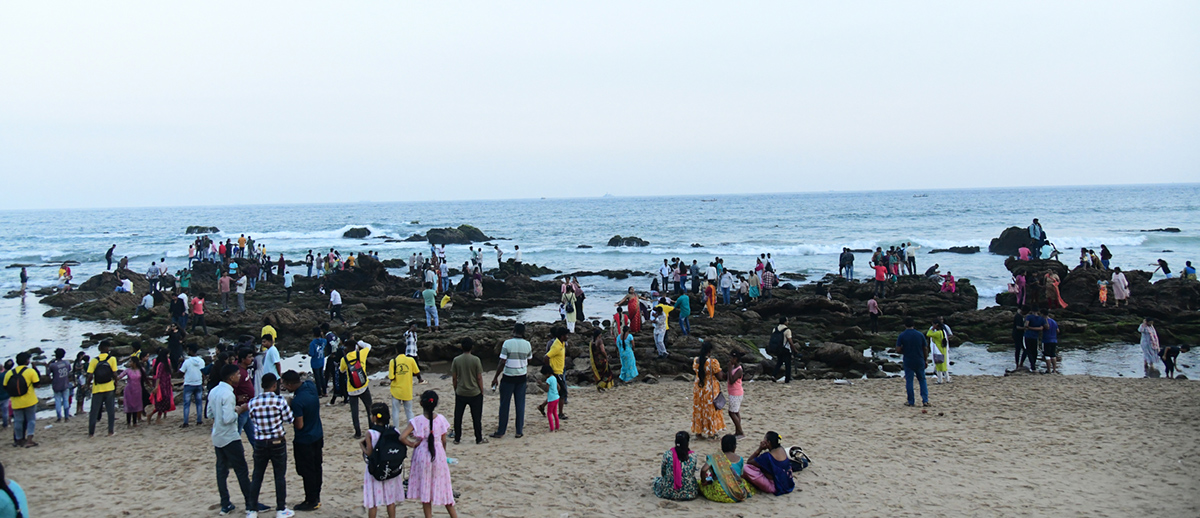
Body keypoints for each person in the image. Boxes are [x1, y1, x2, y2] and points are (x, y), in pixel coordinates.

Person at [401, 390, 458, 518]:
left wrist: (413, 444)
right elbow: (443, 440)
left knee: (426, 490)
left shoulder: (416, 421)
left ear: (421, 404)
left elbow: (402, 437)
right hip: (438, 454)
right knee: (444, 488)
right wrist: (443, 454)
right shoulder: (441, 419)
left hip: (422, 455)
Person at [247, 373, 295, 518]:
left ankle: (252, 509)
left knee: (257, 475)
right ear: (274, 385)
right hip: (277, 441)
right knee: (279, 476)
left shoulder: (253, 402)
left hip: (260, 441)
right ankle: (281, 508)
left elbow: (252, 418)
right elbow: (289, 419)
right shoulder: (279, 401)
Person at [208, 363, 254, 516]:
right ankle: (250, 503)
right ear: (230, 377)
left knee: (221, 471)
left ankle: (225, 503)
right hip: (230, 437)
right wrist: (238, 411)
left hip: (217, 436)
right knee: (241, 470)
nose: (239, 376)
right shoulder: (229, 394)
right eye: (237, 374)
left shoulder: (214, 391)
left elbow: (209, 414)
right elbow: (228, 418)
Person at [282, 370, 323, 512]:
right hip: (317, 434)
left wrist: (290, 408)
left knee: (306, 471)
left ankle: (311, 500)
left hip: (305, 439)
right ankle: (316, 496)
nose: (284, 387)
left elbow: (299, 425)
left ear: (290, 384)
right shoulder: (310, 386)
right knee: (317, 467)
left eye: (285, 385)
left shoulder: (298, 402)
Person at [360, 403, 404, 518]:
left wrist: (361, 446)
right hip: (390, 470)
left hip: (375, 470)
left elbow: (369, 452)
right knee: (390, 500)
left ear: (374, 418)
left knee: (373, 502)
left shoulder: (370, 433)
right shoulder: (394, 431)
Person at [490, 323, 531, 439]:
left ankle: (501, 430)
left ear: (513, 331)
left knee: (504, 404)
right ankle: (519, 430)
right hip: (521, 376)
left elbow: (502, 361)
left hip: (508, 377)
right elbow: (529, 358)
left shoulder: (507, 343)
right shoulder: (527, 344)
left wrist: (495, 377)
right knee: (520, 404)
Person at [699, 434, 754, 503]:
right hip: (737, 491)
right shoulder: (740, 459)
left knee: (699, 484)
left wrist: (703, 482)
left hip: (720, 492)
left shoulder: (715, 457)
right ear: (734, 447)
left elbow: (704, 470)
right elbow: (741, 475)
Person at [450, 338, 486, 445]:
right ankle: (478, 438)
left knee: (458, 416)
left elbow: (454, 378)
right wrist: (482, 390)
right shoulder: (476, 360)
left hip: (461, 391)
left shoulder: (456, 360)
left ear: (461, 347)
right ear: (472, 347)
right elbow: (479, 377)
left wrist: (456, 388)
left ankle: (457, 438)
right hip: (474, 392)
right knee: (476, 417)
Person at [340, 336, 374, 438]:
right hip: (363, 385)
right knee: (369, 408)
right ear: (355, 346)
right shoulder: (361, 354)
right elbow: (369, 346)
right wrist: (360, 342)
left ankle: (358, 432)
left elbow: (341, 371)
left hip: (352, 389)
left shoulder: (344, 359)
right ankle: (371, 429)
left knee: (355, 412)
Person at [742, 431, 795, 496]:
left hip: (775, 486)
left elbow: (749, 461)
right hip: (786, 483)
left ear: (768, 443)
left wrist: (760, 449)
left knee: (745, 468)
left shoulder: (767, 456)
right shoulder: (782, 449)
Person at [4, 353, 40, 447]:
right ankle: (29, 440)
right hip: (29, 400)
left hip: (16, 401)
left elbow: (5, 387)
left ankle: (19, 440)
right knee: (31, 420)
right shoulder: (30, 371)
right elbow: (37, 384)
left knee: (18, 421)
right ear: (26, 361)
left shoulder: (9, 373)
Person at [653, 431, 699, 501]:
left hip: (668, 492)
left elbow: (663, 472)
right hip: (689, 492)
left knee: (656, 480)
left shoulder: (668, 454)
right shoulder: (693, 456)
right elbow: (692, 472)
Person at [894, 318, 930, 407]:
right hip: (919, 359)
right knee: (922, 380)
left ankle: (911, 401)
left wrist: (904, 350)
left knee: (909, 381)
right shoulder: (920, 334)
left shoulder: (902, 335)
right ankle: (925, 400)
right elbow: (925, 348)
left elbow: (898, 349)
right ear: (914, 325)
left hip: (908, 360)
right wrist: (925, 359)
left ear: (905, 325)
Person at [87, 341, 119, 438]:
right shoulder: (112, 359)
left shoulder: (94, 360)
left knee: (94, 411)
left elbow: (90, 375)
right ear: (107, 349)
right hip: (109, 387)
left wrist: (88, 385)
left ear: (99, 349)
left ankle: (91, 433)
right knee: (110, 411)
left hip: (97, 388)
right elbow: (114, 374)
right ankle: (110, 431)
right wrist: (116, 382)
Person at [387, 347, 422, 427]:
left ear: (396, 350)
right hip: (407, 390)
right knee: (409, 411)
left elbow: (391, 377)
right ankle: (411, 430)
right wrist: (419, 379)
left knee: (395, 411)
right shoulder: (410, 360)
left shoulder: (393, 361)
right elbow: (417, 372)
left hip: (396, 390)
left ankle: (396, 429)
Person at [544, 327, 569, 420]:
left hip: (560, 371)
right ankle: (561, 413)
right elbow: (547, 357)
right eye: (566, 335)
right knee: (562, 392)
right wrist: (549, 371)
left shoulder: (562, 344)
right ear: (562, 336)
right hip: (556, 372)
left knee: (555, 392)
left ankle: (542, 406)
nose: (567, 337)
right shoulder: (556, 346)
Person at [180, 344, 206, 428]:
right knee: (199, 403)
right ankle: (199, 420)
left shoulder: (187, 361)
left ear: (190, 351)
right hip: (198, 383)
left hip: (189, 383)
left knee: (186, 404)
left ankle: (186, 422)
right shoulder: (201, 361)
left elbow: (181, 372)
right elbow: (203, 372)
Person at [118, 356, 146, 427]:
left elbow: (145, 378)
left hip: (137, 390)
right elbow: (120, 376)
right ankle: (128, 422)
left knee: (136, 406)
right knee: (129, 405)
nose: (129, 363)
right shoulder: (128, 370)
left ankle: (134, 422)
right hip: (129, 390)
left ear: (134, 363)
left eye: (130, 361)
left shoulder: (141, 370)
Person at [150, 348, 175, 423]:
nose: (169, 355)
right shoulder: (161, 364)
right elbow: (158, 376)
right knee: (161, 401)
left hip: (166, 384)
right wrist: (157, 386)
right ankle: (155, 416)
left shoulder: (166, 363)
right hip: (162, 385)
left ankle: (158, 417)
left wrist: (170, 383)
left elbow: (168, 375)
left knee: (166, 401)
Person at [47, 348, 72, 422]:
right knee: (65, 400)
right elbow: (69, 370)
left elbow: (47, 373)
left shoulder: (53, 365)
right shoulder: (67, 363)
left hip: (56, 384)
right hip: (65, 383)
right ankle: (66, 416)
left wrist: (48, 364)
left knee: (57, 401)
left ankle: (59, 417)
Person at [726, 350, 746, 438]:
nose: (730, 360)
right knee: (736, 411)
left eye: (731, 358)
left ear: (736, 359)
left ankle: (740, 431)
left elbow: (731, 380)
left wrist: (729, 370)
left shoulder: (739, 370)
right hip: (733, 392)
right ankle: (738, 431)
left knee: (732, 412)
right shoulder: (735, 367)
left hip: (736, 393)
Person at [537, 364, 561, 432]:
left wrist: (541, 384)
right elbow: (559, 388)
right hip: (556, 397)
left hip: (551, 399)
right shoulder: (554, 378)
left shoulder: (548, 380)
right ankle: (557, 426)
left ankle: (552, 428)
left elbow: (546, 390)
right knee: (555, 413)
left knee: (549, 413)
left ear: (547, 373)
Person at [770, 317, 794, 383]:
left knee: (779, 362)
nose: (788, 322)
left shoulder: (775, 329)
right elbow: (790, 340)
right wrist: (794, 349)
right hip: (785, 349)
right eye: (787, 321)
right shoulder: (787, 330)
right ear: (785, 322)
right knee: (787, 364)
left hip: (777, 348)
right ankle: (787, 378)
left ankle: (774, 375)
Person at [926, 319, 950, 384]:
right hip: (943, 350)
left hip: (938, 350)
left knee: (938, 365)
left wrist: (932, 329)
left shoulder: (937, 333)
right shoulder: (943, 332)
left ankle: (940, 380)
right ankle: (947, 379)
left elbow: (928, 334)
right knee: (944, 365)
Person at [1023, 306, 1044, 372]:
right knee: (1034, 351)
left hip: (1028, 335)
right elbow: (1041, 328)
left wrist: (1029, 328)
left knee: (1028, 350)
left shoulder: (1029, 317)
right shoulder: (1041, 318)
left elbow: (1026, 325)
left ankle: (1032, 365)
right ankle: (1033, 364)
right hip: (1035, 336)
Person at [308, 327, 327, 397]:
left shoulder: (312, 343)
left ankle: (319, 393)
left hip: (315, 362)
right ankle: (325, 392)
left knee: (317, 378)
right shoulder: (324, 341)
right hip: (321, 360)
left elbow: (311, 354)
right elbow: (325, 341)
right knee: (322, 376)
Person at [1040, 309, 1060, 374]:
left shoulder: (1044, 321)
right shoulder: (1054, 321)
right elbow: (1058, 331)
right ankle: (1054, 370)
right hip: (1054, 340)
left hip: (1046, 340)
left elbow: (1043, 328)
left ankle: (1048, 370)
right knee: (1053, 355)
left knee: (1047, 355)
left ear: (1042, 314)